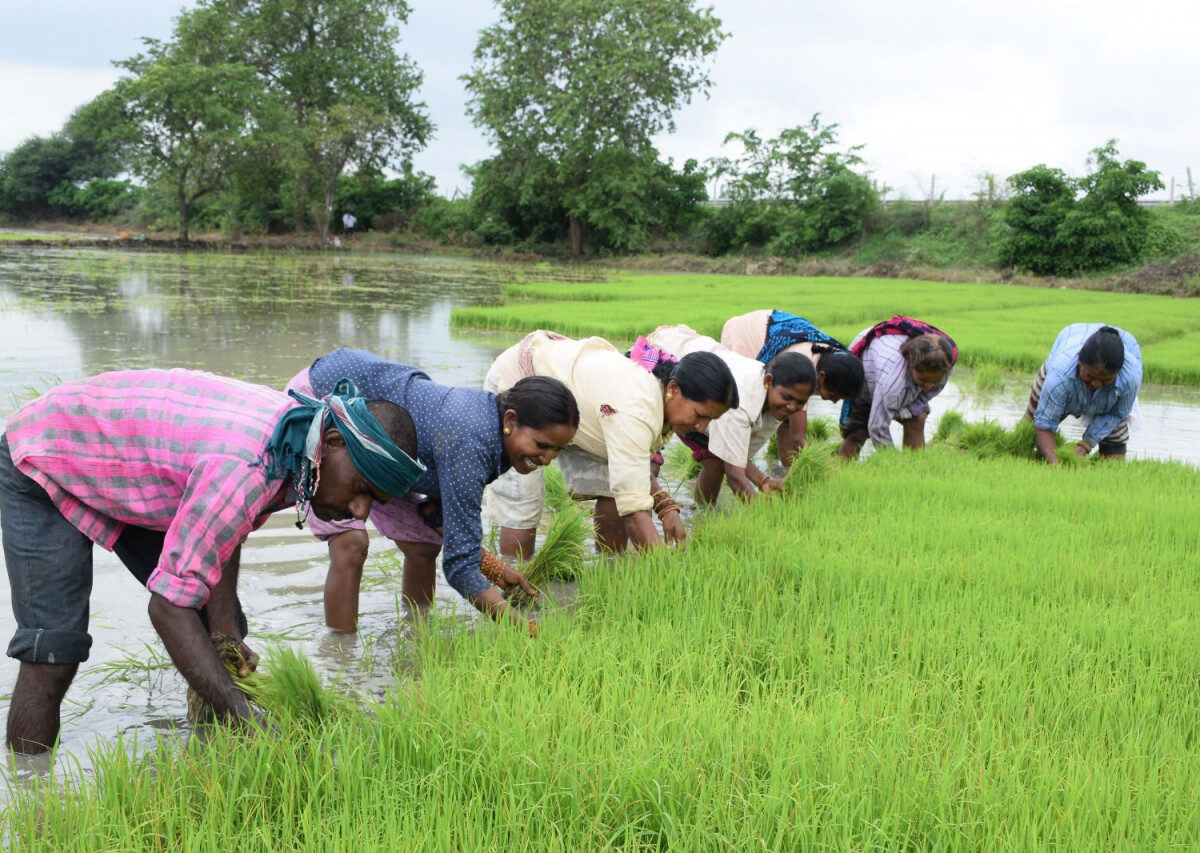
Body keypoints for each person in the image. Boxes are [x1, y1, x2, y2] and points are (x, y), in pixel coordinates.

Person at [1, 369, 423, 754]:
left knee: (218, 634)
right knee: (52, 652)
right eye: (361, 488)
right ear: (332, 443)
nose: (361, 512)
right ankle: (30, 794)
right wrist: (247, 720)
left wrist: (223, 631)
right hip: (44, 453)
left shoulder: (298, 440)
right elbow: (167, 606)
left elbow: (226, 527)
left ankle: (209, 762)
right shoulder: (249, 464)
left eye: (374, 501)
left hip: (133, 471)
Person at [286, 348, 579, 634]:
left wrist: (497, 571)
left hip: (395, 452)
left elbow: (436, 515)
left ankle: (417, 636)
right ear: (511, 421)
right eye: (541, 445)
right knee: (349, 541)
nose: (547, 459)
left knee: (423, 545)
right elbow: (459, 570)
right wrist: (530, 632)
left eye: (557, 450)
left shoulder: (501, 447)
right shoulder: (473, 442)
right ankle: (341, 661)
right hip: (332, 401)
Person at [483, 330, 737, 557]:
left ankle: (611, 566)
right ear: (673, 389)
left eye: (709, 421)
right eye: (700, 415)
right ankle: (516, 583)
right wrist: (668, 576)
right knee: (524, 504)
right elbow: (636, 511)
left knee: (613, 490)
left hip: (578, 401)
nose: (701, 428)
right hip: (523, 379)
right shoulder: (637, 407)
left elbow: (631, 472)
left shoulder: (656, 401)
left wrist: (665, 506)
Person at [645, 324, 815, 503]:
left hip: (697, 390)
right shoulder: (741, 405)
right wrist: (762, 516)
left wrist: (762, 481)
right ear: (768, 382)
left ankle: (702, 514)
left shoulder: (775, 405)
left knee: (715, 462)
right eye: (788, 397)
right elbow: (735, 476)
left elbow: (735, 455)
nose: (792, 407)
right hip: (660, 355)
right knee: (648, 459)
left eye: (800, 402)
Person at [721, 309, 864, 464]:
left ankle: (785, 467)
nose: (835, 402)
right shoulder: (804, 370)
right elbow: (798, 437)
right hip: (744, 335)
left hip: (771, 328)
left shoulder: (834, 360)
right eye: (835, 395)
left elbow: (790, 425)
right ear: (821, 376)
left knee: (786, 412)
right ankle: (730, 463)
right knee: (743, 410)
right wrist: (827, 465)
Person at [838, 316, 957, 458]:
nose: (928, 386)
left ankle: (915, 470)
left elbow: (930, 391)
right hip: (867, 365)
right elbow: (877, 427)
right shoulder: (893, 381)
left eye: (934, 381)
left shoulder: (945, 367)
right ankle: (843, 469)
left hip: (891, 365)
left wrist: (910, 409)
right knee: (858, 431)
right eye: (923, 380)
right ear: (911, 366)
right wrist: (893, 461)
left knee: (917, 418)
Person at [1025, 324, 1142, 464]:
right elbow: (1044, 424)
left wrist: (1084, 447)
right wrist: (1055, 467)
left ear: (1118, 372)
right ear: (1079, 361)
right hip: (1064, 376)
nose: (1096, 384)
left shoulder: (1129, 378)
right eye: (1090, 376)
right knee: (1029, 429)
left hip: (1111, 398)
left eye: (1106, 379)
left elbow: (1117, 414)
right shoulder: (1059, 375)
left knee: (1114, 458)